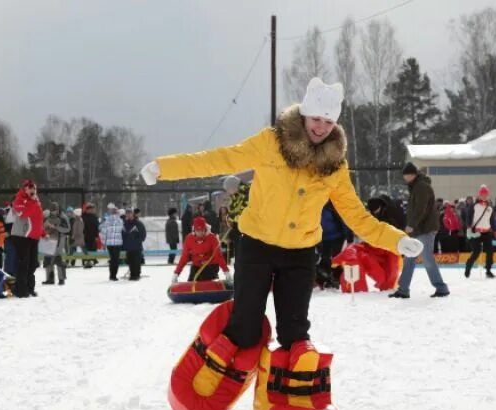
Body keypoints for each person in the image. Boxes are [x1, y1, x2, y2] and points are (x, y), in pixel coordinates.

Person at [142, 77, 421, 352]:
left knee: (295, 333)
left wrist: (395, 241)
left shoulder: (334, 166)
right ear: (304, 114)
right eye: (316, 119)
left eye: (328, 122)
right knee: (246, 327)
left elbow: (357, 216)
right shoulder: (271, 143)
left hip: (299, 254)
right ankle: (222, 372)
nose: (321, 127)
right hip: (257, 247)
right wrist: (164, 168)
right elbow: (220, 159)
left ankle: (289, 389)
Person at [389, 161, 449, 298]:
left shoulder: (421, 186)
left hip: (425, 228)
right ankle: (403, 289)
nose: (405, 178)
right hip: (418, 229)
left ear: (412, 175)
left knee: (427, 259)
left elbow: (420, 208)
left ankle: (441, 288)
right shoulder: (416, 186)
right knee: (409, 258)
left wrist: (412, 224)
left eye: (406, 175)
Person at [10, 179, 45, 298]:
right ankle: (21, 290)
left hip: (33, 236)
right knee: (23, 264)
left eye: (34, 188)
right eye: (30, 188)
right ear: (24, 189)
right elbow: (23, 213)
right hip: (21, 235)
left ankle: (30, 288)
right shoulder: (19, 199)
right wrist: (32, 201)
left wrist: (42, 232)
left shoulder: (35, 201)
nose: (32, 190)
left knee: (33, 264)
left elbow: (38, 218)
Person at [172, 216, 230, 283]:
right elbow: (184, 257)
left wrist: (226, 272)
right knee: (192, 282)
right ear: (194, 230)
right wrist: (176, 273)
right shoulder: (189, 239)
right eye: (198, 231)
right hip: (196, 266)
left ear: (205, 229)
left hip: (210, 265)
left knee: (205, 281)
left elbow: (218, 256)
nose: (200, 233)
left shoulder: (212, 238)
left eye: (202, 230)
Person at [464, 185, 496, 278]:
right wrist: (469, 228)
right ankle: (468, 267)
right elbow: (468, 217)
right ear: (479, 195)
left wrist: (495, 231)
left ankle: (488, 270)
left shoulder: (490, 207)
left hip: (487, 232)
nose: (484, 196)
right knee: (476, 252)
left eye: (486, 194)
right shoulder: (474, 206)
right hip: (476, 232)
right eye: (482, 194)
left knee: (490, 251)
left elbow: (491, 220)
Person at [42, 202, 70, 286]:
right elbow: (42, 227)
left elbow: (67, 229)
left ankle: (61, 279)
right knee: (47, 260)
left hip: (59, 240)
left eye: (55, 210)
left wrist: (56, 227)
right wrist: (47, 228)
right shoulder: (47, 217)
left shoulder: (63, 217)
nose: (53, 212)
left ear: (58, 210)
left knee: (58, 259)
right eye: (52, 210)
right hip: (49, 239)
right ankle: (49, 279)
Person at [224, 174, 250, 262]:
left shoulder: (246, 195)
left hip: (246, 232)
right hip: (238, 230)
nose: (227, 192)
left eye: (227, 189)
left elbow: (245, 214)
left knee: (243, 258)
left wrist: (231, 217)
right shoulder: (235, 196)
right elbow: (234, 211)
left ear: (233, 187)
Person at [100, 203, 124, 281]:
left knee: (112, 259)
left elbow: (103, 233)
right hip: (117, 243)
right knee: (115, 260)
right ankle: (113, 275)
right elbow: (124, 232)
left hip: (109, 244)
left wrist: (104, 243)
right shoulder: (121, 221)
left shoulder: (107, 221)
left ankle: (111, 275)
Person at [122, 208, 147, 280]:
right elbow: (123, 234)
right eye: (127, 213)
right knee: (130, 261)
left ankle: (137, 275)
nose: (128, 215)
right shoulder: (124, 224)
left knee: (136, 261)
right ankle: (132, 274)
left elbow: (143, 234)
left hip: (137, 247)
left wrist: (138, 241)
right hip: (128, 247)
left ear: (132, 214)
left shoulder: (138, 223)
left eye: (130, 213)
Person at [81, 202, 100, 268]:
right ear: (87, 209)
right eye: (90, 209)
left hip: (92, 236)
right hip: (85, 236)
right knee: (86, 249)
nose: (91, 210)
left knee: (93, 248)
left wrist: (96, 236)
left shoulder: (94, 217)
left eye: (92, 209)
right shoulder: (83, 217)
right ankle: (85, 261)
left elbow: (97, 227)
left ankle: (93, 260)